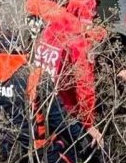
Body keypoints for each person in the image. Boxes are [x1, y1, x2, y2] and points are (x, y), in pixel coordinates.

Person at [0, 27, 104, 163]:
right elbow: (61, 120)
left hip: (10, 148)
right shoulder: (33, 77)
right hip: (43, 150)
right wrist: (85, 137)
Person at [32, 13, 103, 145]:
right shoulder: (78, 44)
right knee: (90, 146)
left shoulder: (48, 28)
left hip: (35, 99)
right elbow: (84, 85)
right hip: (62, 107)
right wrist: (88, 123)